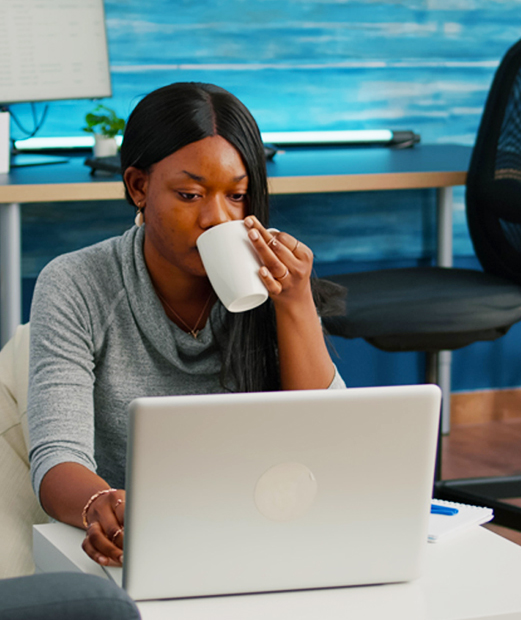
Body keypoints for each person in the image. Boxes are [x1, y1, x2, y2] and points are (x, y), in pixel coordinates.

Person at [27, 82, 346, 567]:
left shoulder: (274, 283)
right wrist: (102, 507)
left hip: (265, 529)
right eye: (190, 194)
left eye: (237, 196)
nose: (216, 219)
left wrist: (296, 304)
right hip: (149, 539)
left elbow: (326, 443)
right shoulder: (76, 284)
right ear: (138, 186)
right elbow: (57, 454)